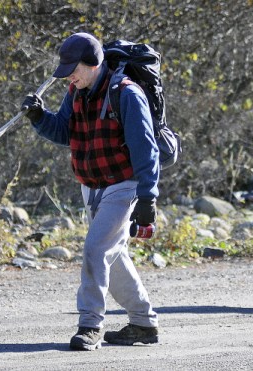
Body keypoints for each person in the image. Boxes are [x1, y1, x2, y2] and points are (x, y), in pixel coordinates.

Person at [20, 32, 160, 350]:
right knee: (113, 255)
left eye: (75, 67)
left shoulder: (126, 93)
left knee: (96, 249)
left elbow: (145, 149)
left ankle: (90, 325)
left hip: (123, 186)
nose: (70, 74)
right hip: (91, 188)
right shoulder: (76, 92)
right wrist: (38, 117)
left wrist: (148, 197)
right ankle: (143, 323)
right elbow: (64, 131)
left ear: (94, 62)